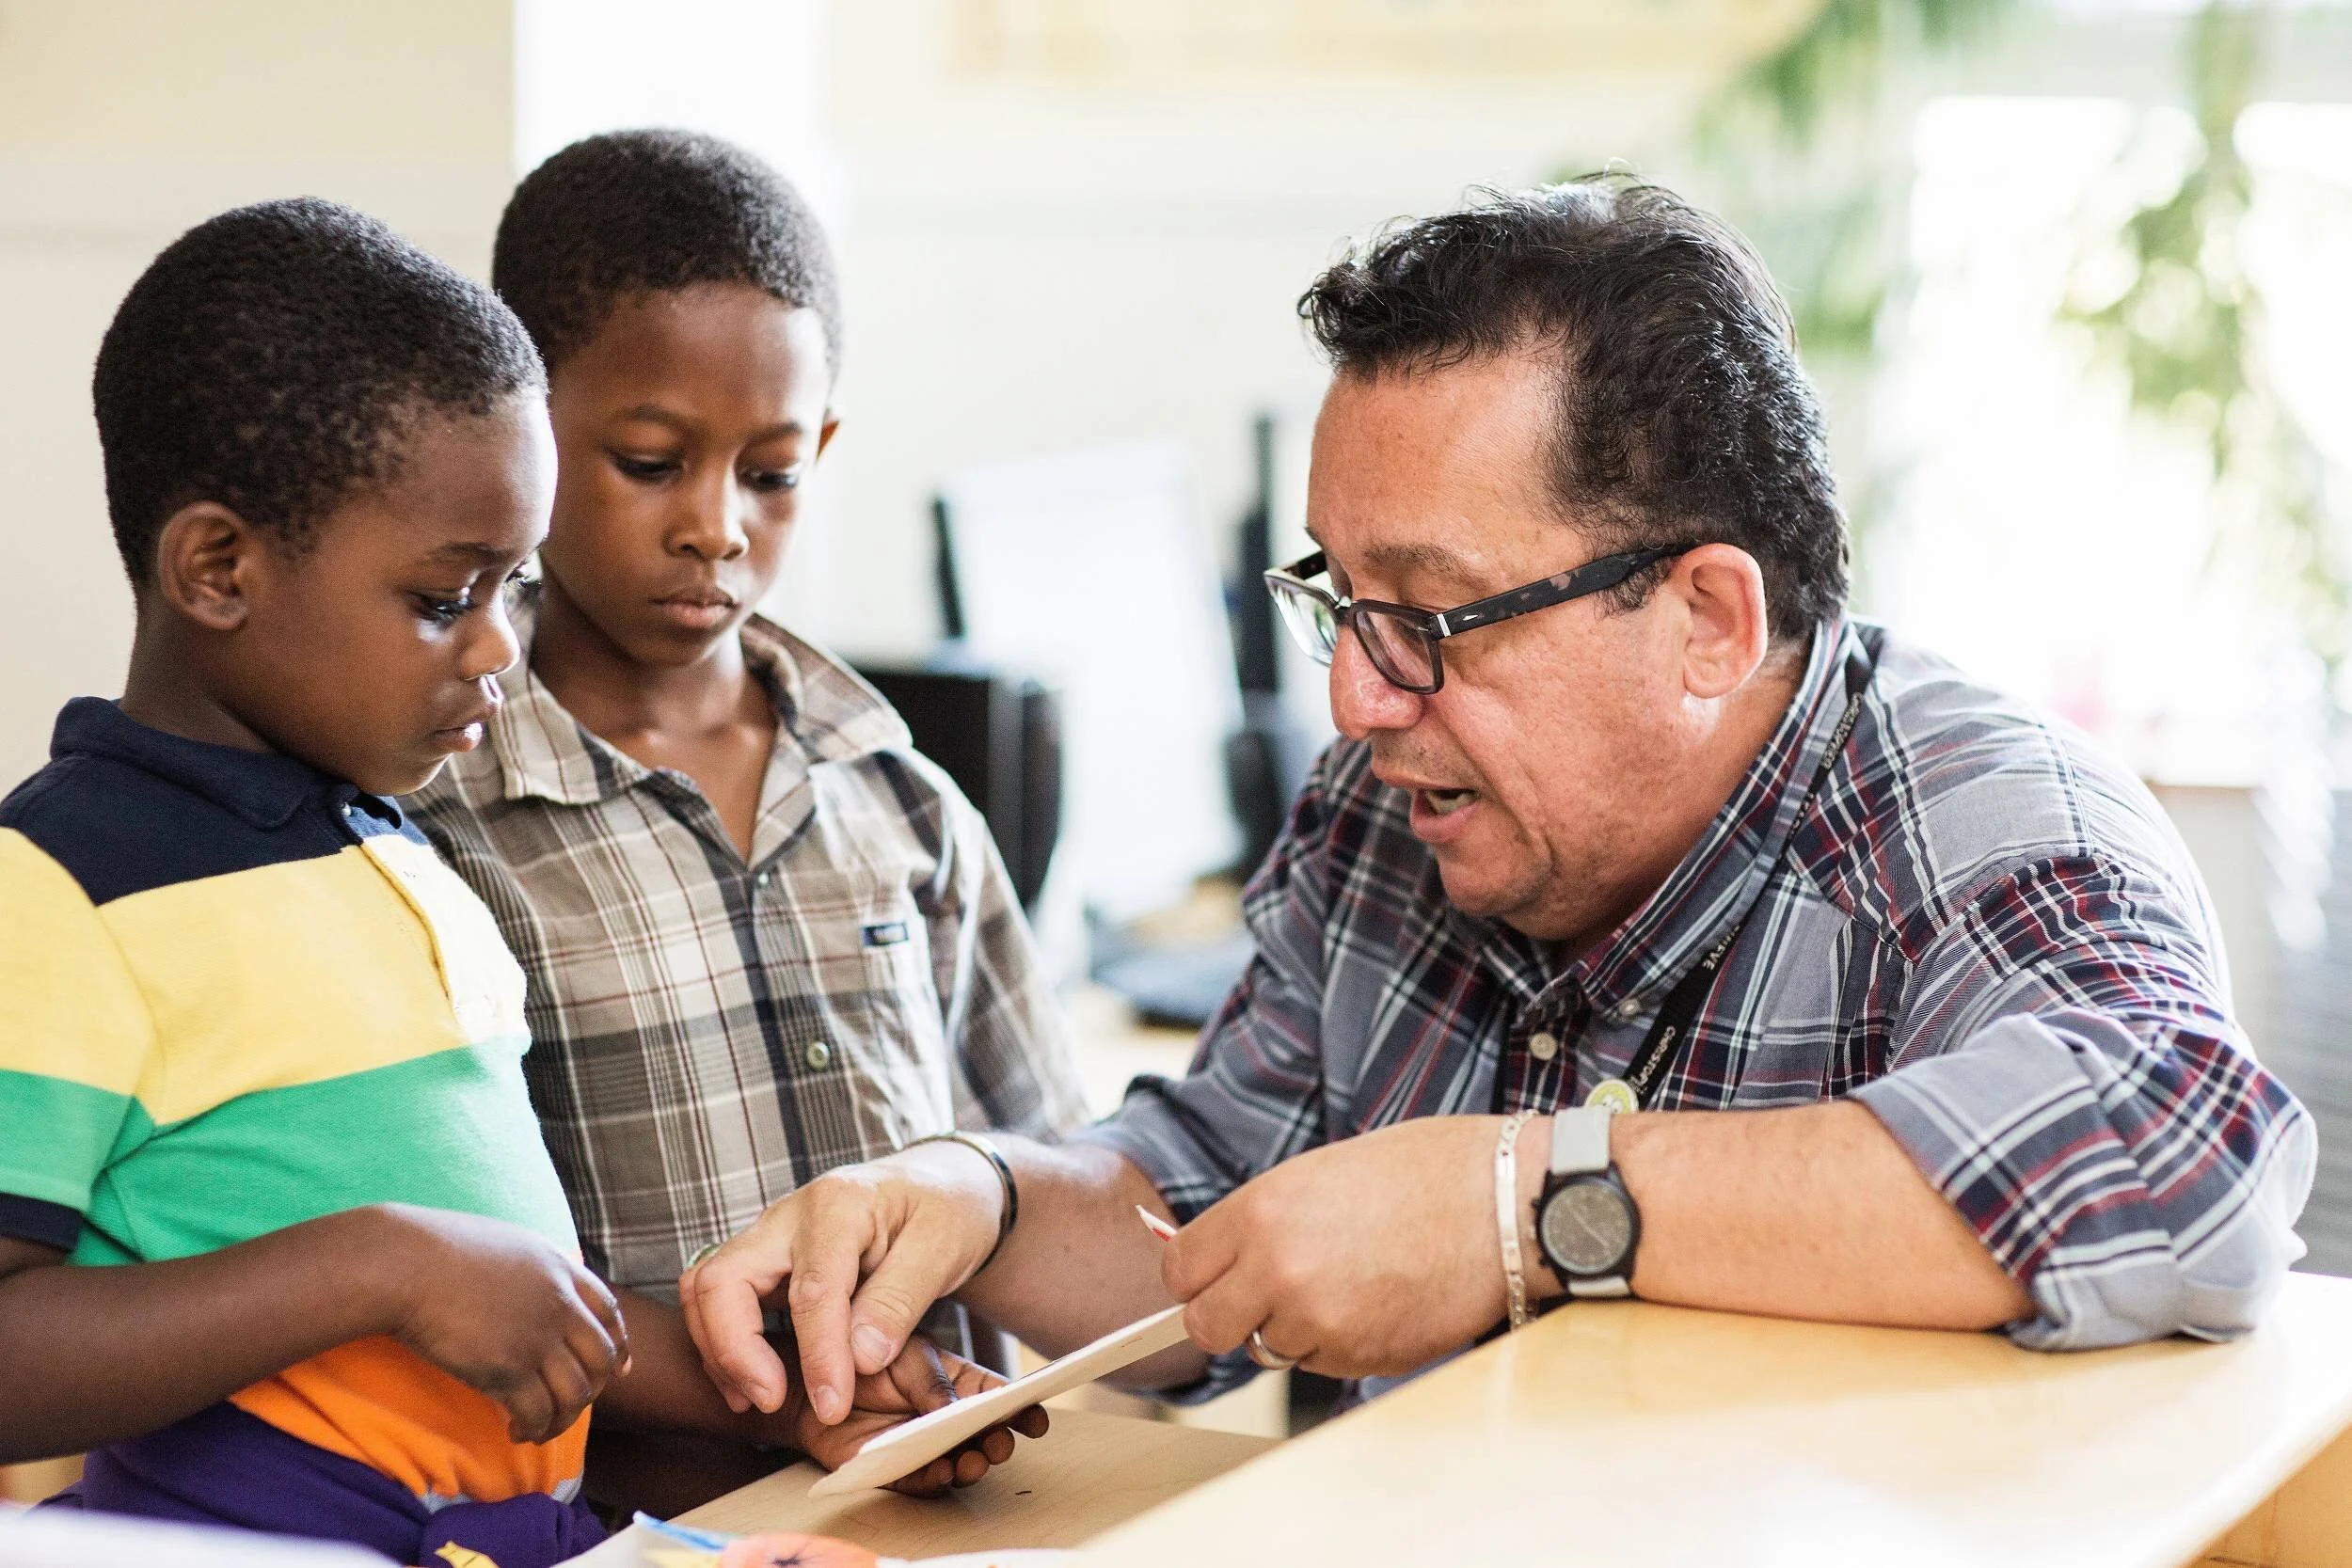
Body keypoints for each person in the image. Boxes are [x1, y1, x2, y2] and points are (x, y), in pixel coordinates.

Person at [678, 177, 2317, 1430]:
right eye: (1341, 603)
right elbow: (1219, 1202)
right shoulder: (1389, 808)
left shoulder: (1979, 823)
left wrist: (1525, 1203)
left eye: (1433, 618)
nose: (1358, 697)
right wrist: (977, 1200)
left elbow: (2186, 1164)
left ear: (1706, 622)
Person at [0, 198, 1022, 1568]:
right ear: (219, 568)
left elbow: (532, 1308)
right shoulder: (65, 891)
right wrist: (379, 1264)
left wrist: (787, 1398)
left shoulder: (392, 850)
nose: (497, 647)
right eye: (444, 597)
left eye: (513, 584)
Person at [406, 132, 1085, 1501]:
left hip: (944, 1510)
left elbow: (1058, 1173)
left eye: (770, 474)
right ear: (523, 439)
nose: (716, 526)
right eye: (652, 462)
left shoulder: (899, 799)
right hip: (640, 1521)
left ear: (820, 448)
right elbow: (453, 1274)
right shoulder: (439, 815)